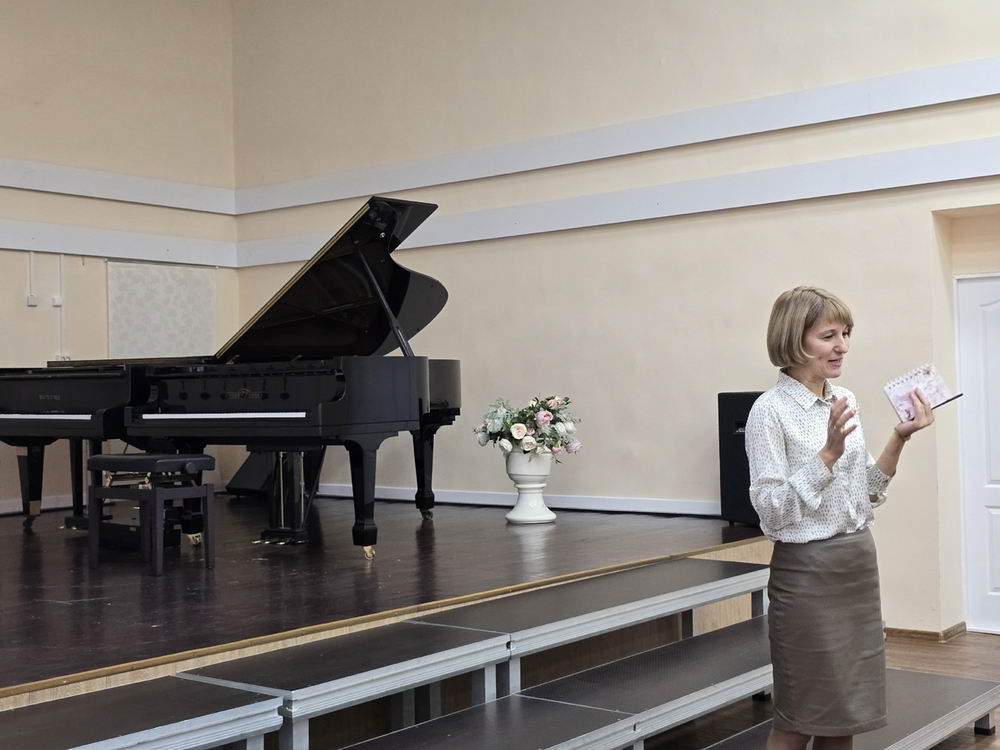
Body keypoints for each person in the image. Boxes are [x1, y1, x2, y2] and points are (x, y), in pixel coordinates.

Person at [745, 286, 935, 750]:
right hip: (807, 576)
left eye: (846, 334)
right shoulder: (768, 412)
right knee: (799, 718)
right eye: (829, 336)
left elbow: (866, 490)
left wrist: (899, 438)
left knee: (844, 715)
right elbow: (771, 511)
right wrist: (826, 455)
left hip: (856, 567)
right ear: (794, 340)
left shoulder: (844, 398)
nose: (842, 346)